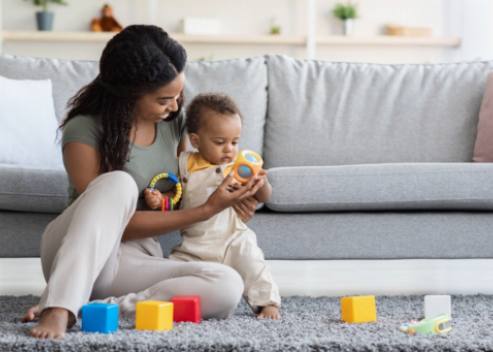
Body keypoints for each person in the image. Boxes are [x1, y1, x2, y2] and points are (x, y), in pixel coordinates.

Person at [21, 25, 263, 339]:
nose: (176, 107)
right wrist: (206, 210)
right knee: (118, 183)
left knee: (228, 285)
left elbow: (180, 189)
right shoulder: (83, 130)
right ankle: (58, 307)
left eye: (178, 96)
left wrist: (231, 195)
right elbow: (109, 221)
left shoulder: (173, 124)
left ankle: (98, 307)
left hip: (136, 261)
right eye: (165, 99)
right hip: (78, 251)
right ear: (129, 93)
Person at [144, 93, 281, 319]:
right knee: (171, 272)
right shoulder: (185, 163)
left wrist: (261, 182)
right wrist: (161, 199)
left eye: (235, 142)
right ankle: (154, 300)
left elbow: (264, 196)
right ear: (196, 141)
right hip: (195, 243)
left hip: (234, 238)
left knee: (253, 264)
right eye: (220, 142)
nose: (229, 149)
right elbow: (176, 194)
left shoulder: (239, 166)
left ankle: (267, 304)